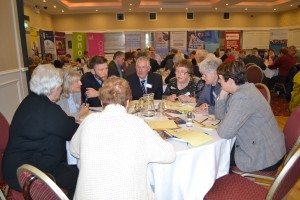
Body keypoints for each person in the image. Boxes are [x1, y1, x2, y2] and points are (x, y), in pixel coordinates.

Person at [70, 76, 175, 200]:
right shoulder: (137, 124)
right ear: (127, 103)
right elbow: (169, 155)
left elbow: (74, 150)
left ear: (102, 102)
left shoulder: (88, 122)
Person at [2, 64, 79, 199]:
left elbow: (60, 124)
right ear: (53, 89)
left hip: (19, 165)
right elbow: (71, 131)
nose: (61, 90)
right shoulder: (47, 109)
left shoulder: (31, 101)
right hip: (27, 173)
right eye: (60, 86)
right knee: (81, 178)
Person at [215, 60, 286, 172]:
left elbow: (224, 133)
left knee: (218, 157)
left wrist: (225, 122)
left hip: (265, 156)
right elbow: (220, 116)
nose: (219, 82)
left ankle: (232, 187)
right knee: (222, 151)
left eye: (220, 78)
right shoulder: (245, 89)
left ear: (231, 81)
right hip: (269, 147)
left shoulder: (242, 97)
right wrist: (222, 96)